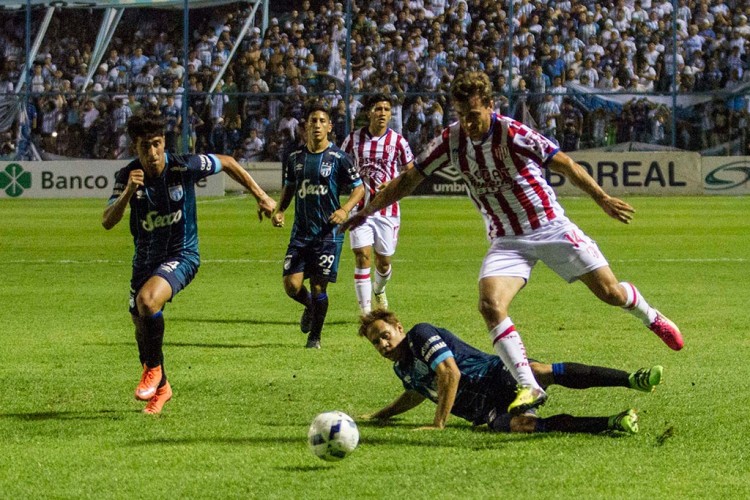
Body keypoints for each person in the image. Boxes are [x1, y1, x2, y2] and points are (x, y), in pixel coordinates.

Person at [344, 71, 683, 415]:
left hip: (549, 226)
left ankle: (651, 316)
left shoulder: (513, 132)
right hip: (507, 240)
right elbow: (408, 179)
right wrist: (368, 211)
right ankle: (528, 384)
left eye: (473, 115)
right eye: (461, 115)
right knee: (490, 304)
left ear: (490, 106)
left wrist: (602, 198)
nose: (468, 124)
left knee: (611, 293)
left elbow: (565, 163)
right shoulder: (451, 140)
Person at [102, 113, 276, 414]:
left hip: (182, 254)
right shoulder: (127, 176)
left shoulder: (184, 166)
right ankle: (163, 388)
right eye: (145, 146)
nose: (153, 153)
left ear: (164, 143)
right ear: (135, 147)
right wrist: (129, 191)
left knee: (147, 301)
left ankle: (153, 370)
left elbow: (228, 162)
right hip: (144, 261)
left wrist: (261, 196)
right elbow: (107, 221)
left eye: (157, 144)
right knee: (142, 328)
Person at [359, 309, 661, 434]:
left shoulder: (419, 335)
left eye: (385, 335)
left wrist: (438, 423)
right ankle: (613, 422)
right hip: (483, 410)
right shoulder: (402, 368)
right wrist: (379, 415)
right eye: (376, 342)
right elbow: (416, 393)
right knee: (523, 426)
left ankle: (632, 379)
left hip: (494, 374)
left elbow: (449, 374)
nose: (383, 344)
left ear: (398, 328)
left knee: (538, 371)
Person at [271, 103, 365, 349]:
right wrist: (280, 210)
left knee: (318, 285)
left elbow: (359, 188)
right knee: (291, 286)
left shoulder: (339, 158)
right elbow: (290, 187)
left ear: (330, 127)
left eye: (322, 121)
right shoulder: (295, 158)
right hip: (301, 233)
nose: (317, 125)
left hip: (328, 234)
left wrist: (345, 210)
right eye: (313, 121)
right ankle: (311, 306)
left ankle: (315, 337)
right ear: (305, 126)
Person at [340, 94, 415, 314]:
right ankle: (366, 313)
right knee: (362, 256)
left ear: (390, 114)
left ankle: (379, 289)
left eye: (386, 109)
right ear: (369, 112)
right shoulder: (353, 140)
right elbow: (340, 165)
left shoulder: (398, 141)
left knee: (383, 262)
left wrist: (392, 184)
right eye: (378, 109)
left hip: (387, 211)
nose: (382, 113)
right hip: (360, 209)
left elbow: (410, 173)